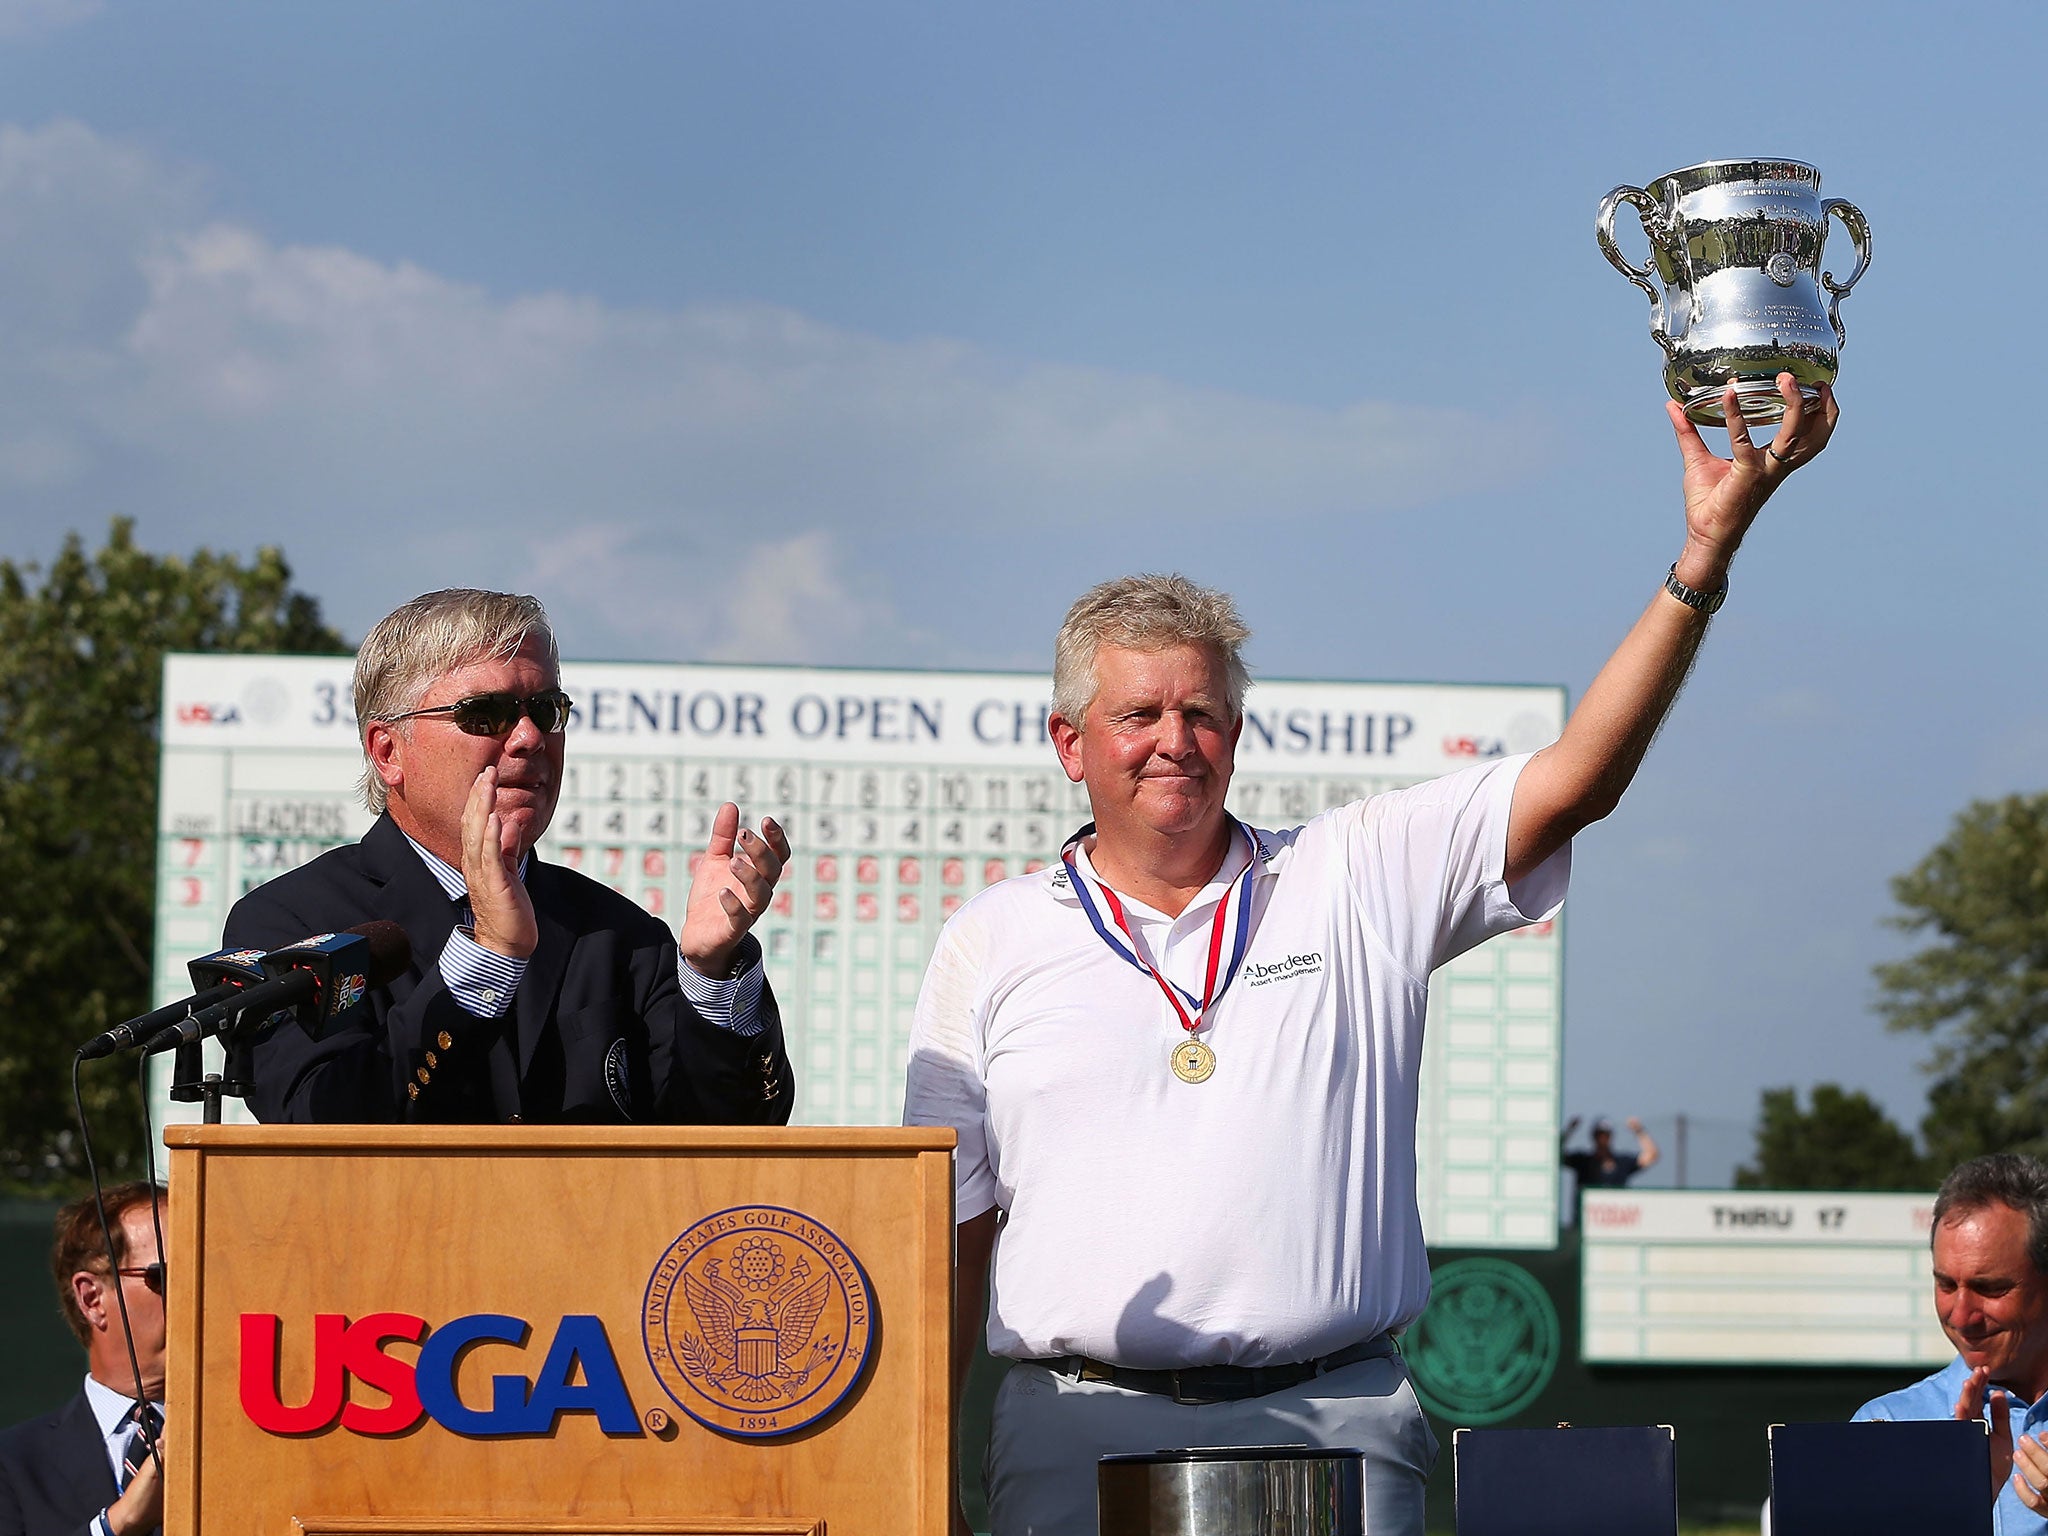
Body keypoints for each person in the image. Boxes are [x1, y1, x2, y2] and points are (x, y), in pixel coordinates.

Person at [903, 374, 1838, 1536]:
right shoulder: (989, 938)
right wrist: (914, 1464)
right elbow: (949, 1224)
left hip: (1336, 1415)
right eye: (1136, 715)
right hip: (1070, 1429)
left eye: (1199, 714)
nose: (1171, 743)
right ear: (1068, 743)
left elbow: (1577, 779)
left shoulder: (1355, 872)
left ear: (1235, 735)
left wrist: (1701, 555)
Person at [225, 588, 794, 1124]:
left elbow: (725, 1146)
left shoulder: (620, 936)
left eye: (546, 710)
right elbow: (321, 1124)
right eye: (486, 713)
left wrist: (711, 973)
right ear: (388, 750)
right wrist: (487, 956)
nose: (527, 737)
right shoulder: (290, 925)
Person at [1856, 1153, 2048, 1527]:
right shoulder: (1884, 1427)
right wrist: (1958, 1507)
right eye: (1945, 1284)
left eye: (1989, 1288)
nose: (1961, 1316)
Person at [0, 1182, 167, 1536]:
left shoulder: (260, 1444)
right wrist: (118, 1524)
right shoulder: (12, 1465)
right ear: (92, 1298)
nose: (200, 1292)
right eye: (165, 1277)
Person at [1561, 1114, 1659, 1192]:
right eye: (1599, 1135)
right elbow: (1555, 1156)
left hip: (1616, 1214)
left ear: (1611, 1136)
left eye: (1606, 1135)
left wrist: (1639, 1130)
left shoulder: (1623, 1163)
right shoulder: (1583, 1162)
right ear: (1593, 1136)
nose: (1603, 1139)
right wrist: (1569, 1131)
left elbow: (1652, 1155)